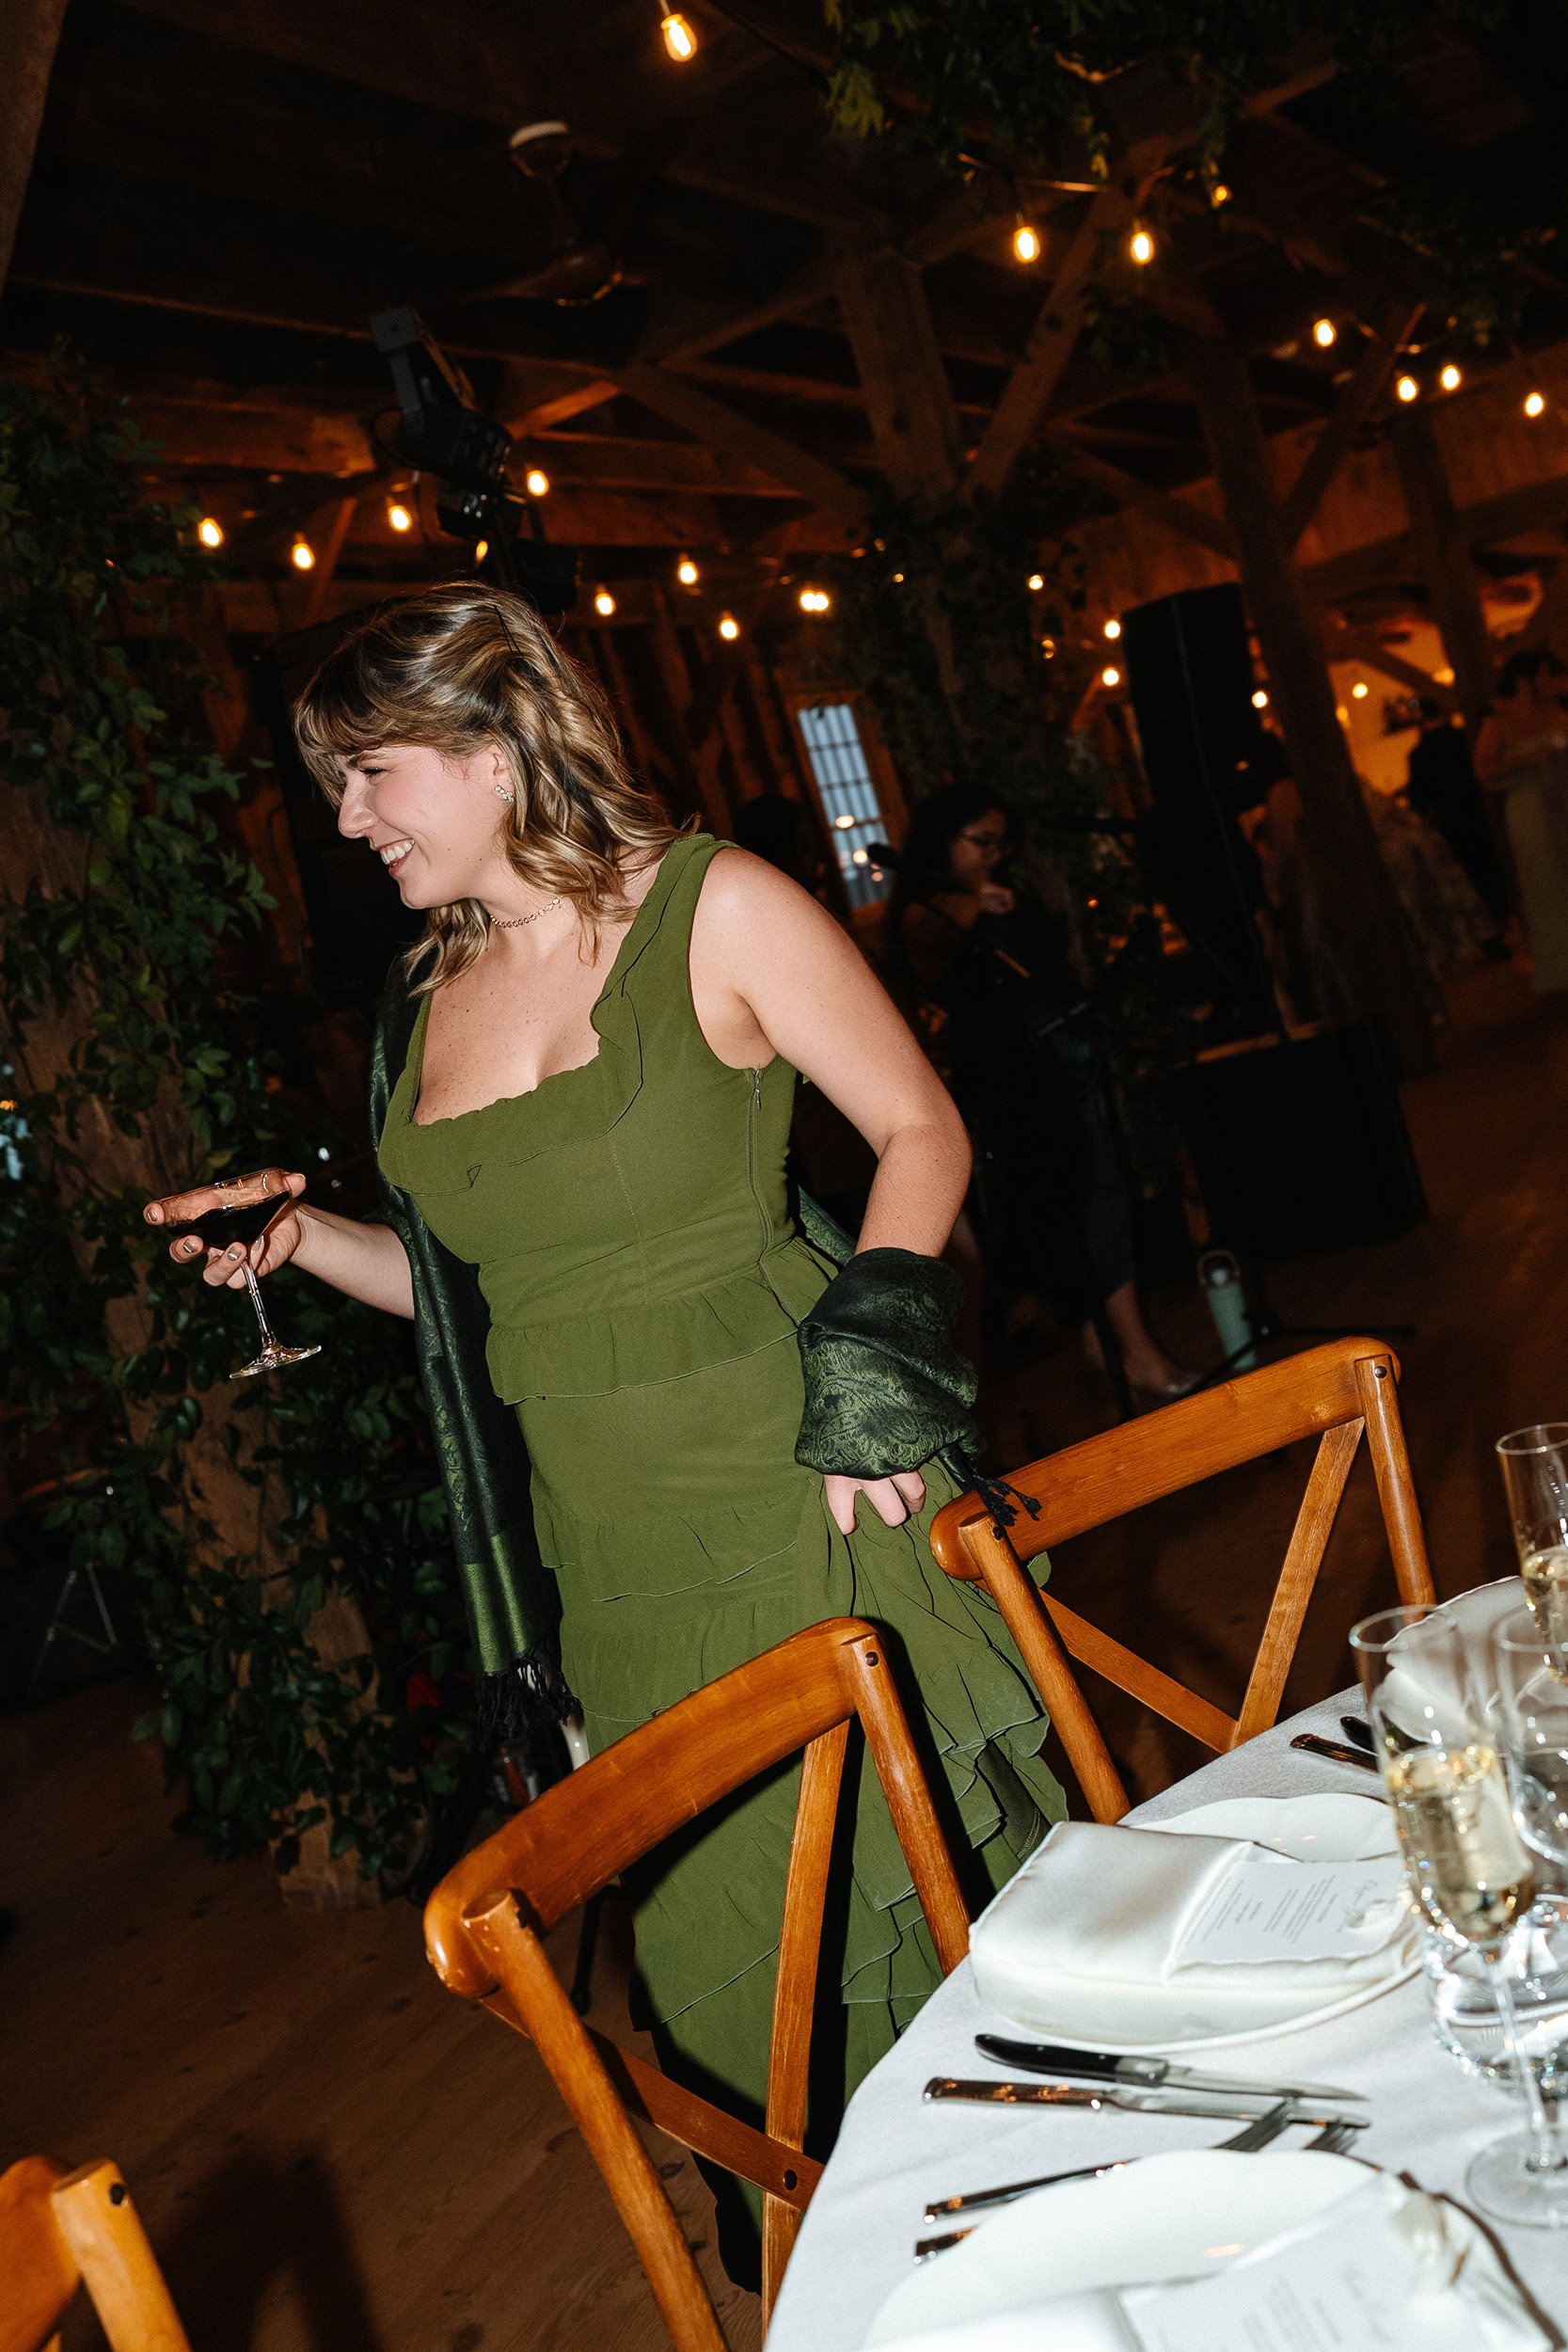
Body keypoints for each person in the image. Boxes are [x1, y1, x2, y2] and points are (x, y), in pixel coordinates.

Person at [144, 586, 1062, 2281]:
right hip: (608, 1556)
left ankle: (1034, 2251)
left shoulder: (715, 905)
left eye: (370, 772)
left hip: (806, 1492)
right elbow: (490, 1302)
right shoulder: (422, 993)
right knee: (729, 1951)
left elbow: (919, 1130)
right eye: (336, 782)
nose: (345, 819)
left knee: (907, 1912)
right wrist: (307, 1242)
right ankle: (879, 2275)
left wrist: (871, 1378)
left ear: (493, 747)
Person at [889, 783, 1186, 1401]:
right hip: (1010, 1076)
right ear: (943, 841)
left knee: (1096, 1194)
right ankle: (1135, 1351)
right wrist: (977, 903)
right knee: (1079, 1202)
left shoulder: (997, 896)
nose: (994, 855)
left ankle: (1104, 1343)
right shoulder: (924, 912)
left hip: (1056, 1060)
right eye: (982, 841)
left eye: (1003, 843)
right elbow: (937, 947)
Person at [1474, 648, 1568, 993]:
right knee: (1545, 884)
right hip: (1529, 807)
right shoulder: (1498, 718)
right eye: (1541, 674)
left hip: (1563, 800)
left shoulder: (1557, 709)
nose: (1547, 681)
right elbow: (1483, 769)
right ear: (1523, 679)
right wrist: (1531, 757)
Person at [1403, 701, 1510, 933]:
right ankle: (1503, 914)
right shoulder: (1464, 739)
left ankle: (1489, 926)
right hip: (1478, 812)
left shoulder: (1419, 754)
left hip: (1449, 822)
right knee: (1490, 863)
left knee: (1468, 872)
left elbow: (1418, 800)